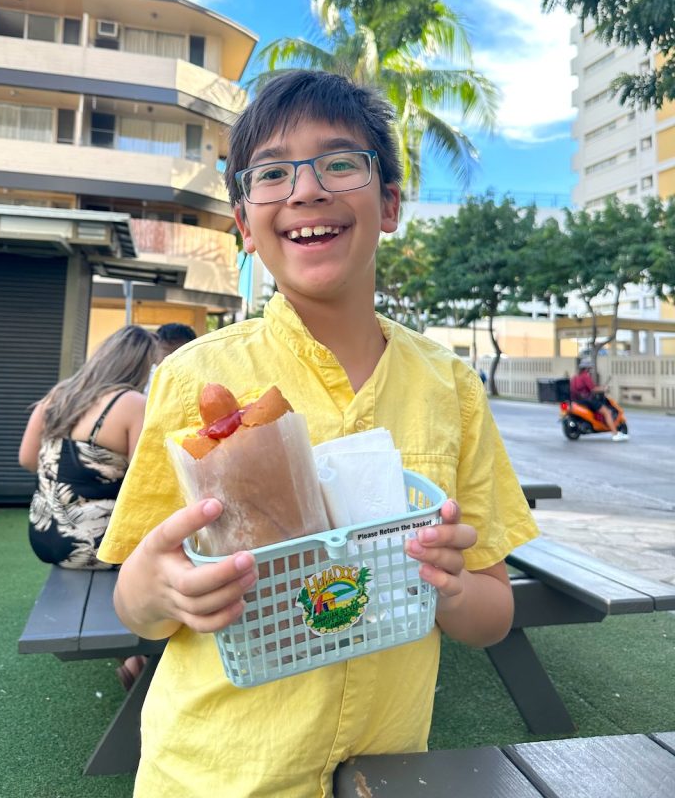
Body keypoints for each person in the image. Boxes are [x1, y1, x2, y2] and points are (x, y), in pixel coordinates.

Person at [97, 70, 539, 798]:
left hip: (385, 776)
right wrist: (165, 590)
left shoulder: (450, 387)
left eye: (340, 162)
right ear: (243, 224)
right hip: (216, 774)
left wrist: (453, 590)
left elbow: (493, 610)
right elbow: (133, 596)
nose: (305, 190)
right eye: (272, 173)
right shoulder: (189, 377)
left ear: (389, 203)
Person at [18, 324, 156, 570]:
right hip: (95, 546)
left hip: (42, 536)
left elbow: (27, 459)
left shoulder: (59, 395)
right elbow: (143, 485)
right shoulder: (133, 403)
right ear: (142, 367)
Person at [569, 357, 626, 441]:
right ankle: (615, 434)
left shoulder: (575, 377)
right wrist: (603, 388)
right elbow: (593, 389)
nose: (590, 369)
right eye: (589, 368)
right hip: (587, 400)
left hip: (576, 400)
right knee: (607, 412)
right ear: (587, 368)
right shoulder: (585, 376)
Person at [145, 322, 197, 394]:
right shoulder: (143, 380)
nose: (171, 360)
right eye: (166, 351)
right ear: (154, 352)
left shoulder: (199, 381)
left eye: (177, 353)